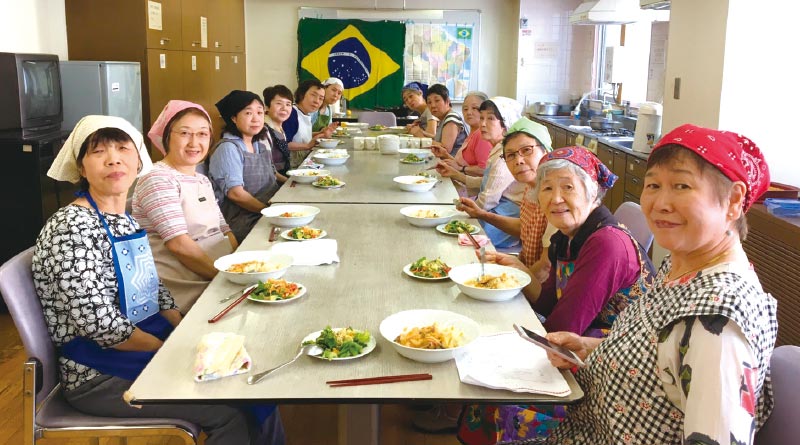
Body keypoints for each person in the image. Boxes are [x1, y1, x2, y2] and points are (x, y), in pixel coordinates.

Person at [32, 115, 284, 445]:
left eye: (123, 149)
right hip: (98, 373)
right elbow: (102, 328)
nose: (113, 159)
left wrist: (184, 329)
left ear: (138, 161)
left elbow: (154, 288)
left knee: (251, 382)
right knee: (229, 411)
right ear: (81, 167)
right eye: (98, 152)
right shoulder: (70, 228)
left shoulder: (122, 217)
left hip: (143, 344)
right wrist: (173, 350)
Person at [543, 124, 777, 445]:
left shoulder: (719, 323)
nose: (660, 203)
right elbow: (663, 353)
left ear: (733, 200)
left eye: (681, 185)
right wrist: (590, 347)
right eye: (653, 185)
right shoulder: (684, 264)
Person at [457, 145, 656, 445]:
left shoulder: (606, 244)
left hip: (612, 367)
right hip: (577, 344)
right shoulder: (567, 237)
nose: (556, 197)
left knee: (495, 386)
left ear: (592, 193)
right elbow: (548, 303)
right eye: (547, 188)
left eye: (568, 187)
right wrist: (519, 269)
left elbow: (563, 326)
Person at [132, 100, 237, 313]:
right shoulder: (158, 178)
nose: (194, 142)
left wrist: (239, 265)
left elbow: (224, 229)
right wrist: (225, 278)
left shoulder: (201, 179)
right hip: (189, 286)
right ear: (167, 136)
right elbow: (179, 245)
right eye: (185, 133)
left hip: (221, 273)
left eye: (202, 134)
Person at [454, 117, 556, 276]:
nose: (518, 161)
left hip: (540, 288)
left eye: (527, 150)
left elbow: (545, 267)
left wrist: (509, 281)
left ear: (546, 152)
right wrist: (481, 214)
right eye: (510, 155)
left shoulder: (555, 199)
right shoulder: (530, 188)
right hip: (527, 269)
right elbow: (524, 227)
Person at [436, 97, 525, 248]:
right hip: (495, 207)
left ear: (505, 124)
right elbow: (488, 181)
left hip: (507, 213)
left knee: (462, 239)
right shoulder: (497, 148)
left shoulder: (505, 155)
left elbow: (487, 201)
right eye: (482, 117)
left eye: (490, 119)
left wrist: (463, 214)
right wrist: (456, 175)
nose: (483, 124)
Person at [209, 90, 279, 242]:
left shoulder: (258, 144)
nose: (256, 119)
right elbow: (236, 194)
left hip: (266, 212)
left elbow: (273, 176)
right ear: (233, 118)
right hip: (244, 221)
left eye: (260, 112)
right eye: (248, 113)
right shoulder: (228, 148)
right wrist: (270, 211)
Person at [430, 91, 493, 177]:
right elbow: (460, 165)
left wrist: (462, 169)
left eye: (474, 108)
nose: (469, 112)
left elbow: (484, 170)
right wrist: (445, 155)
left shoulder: (482, 135)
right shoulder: (473, 133)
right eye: (465, 109)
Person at [283, 79, 335, 168]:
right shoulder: (292, 113)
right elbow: (284, 144)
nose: (317, 101)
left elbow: (298, 135)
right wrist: (307, 146)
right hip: (291, 167)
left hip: (303, 162)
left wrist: (320, 133)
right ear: (301, 94)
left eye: (321, 98)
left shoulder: (306, 114)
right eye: (313, 95)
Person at [414, 84, 468, 156]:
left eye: (437, 100)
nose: (433, 105)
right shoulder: (444, 118)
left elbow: (445, 149)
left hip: (453, 164)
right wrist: (422, 133)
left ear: (447, 101)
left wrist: (421, 137)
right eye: (429, 102)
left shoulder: (452, 119)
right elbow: (440, 138)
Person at [262, 85, 294, 177]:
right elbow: (267, 168)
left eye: (288, 104)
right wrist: (287, 182)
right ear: (267, 107)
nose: (284, 108)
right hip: (273, 184)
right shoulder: (264, 130)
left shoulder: (279, 127)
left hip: (284, 175)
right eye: (279, 103)